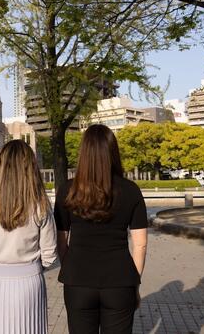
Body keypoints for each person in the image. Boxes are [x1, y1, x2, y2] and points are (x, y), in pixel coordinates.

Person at [54, 124, 148, 334]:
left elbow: (61, 241)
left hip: (77, 280)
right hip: (120, 281)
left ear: (83, 154)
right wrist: (135, 283)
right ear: (113, 152)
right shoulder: (131, 190)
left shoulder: (67, 191)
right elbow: (140, 245)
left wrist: (70, 267)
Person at [0, 140, 57, 334]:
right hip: (28, 283)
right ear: (31, 167)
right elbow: (49, 254)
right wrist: (29, 266)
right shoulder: (40, 204)